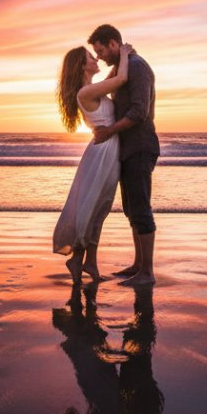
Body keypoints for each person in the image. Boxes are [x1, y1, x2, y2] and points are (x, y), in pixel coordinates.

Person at [53, 41, 133, 282]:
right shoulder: (85, 93)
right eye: (91, 57)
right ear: (81, 66)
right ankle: (81, 261)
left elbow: (113, 78)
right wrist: (125, 54)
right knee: (92, 206)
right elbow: (120, 80)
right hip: (102, 152)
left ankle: (86, 262)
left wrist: (120, 60)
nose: (96, 59)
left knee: (100, 207)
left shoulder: (92, 89)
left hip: (107, 150)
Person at [88, 24, 159, 287]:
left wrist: (109, 132)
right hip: (128, 149)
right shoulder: (122, 67)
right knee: (131, 209)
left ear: (114, 44)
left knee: (140, 209)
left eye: (101, 50)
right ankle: (138, 264)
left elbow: (139, 112)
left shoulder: (137, 66)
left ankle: (147, 272)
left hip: (140, 146)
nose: (99, 57)